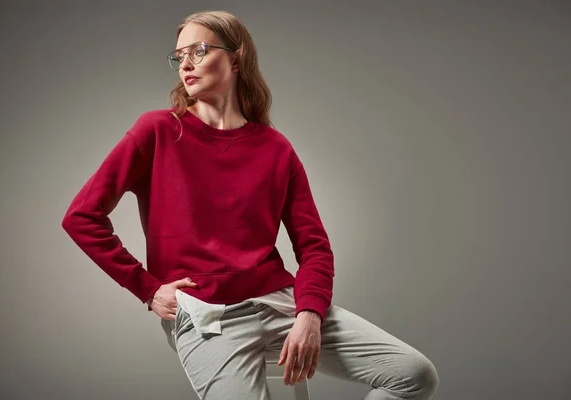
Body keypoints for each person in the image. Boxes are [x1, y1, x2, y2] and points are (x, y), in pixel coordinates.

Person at [61, 10, 439, 400]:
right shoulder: (157, 131)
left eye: (199, 50)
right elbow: (81, 217)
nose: (185, 64)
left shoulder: (275, 148)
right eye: (179, 56)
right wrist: (148, 289)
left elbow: (314, 248)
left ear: (236, 58)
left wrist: (309, 314)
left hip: (281, 303)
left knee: (413, 375)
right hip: (209, 318)